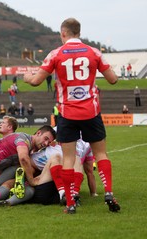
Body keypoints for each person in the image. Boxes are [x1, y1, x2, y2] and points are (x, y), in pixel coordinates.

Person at [24, 17, 120, 214]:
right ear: (79, 32)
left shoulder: (55, 54)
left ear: (63, 33)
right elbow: (113, 79)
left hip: (67, 113)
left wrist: (26, 77)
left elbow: (35, 82)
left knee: (68, 158)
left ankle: (70, 203)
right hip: (91, 111)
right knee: (100, 153)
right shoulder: (93, 52)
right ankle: (108, 192)